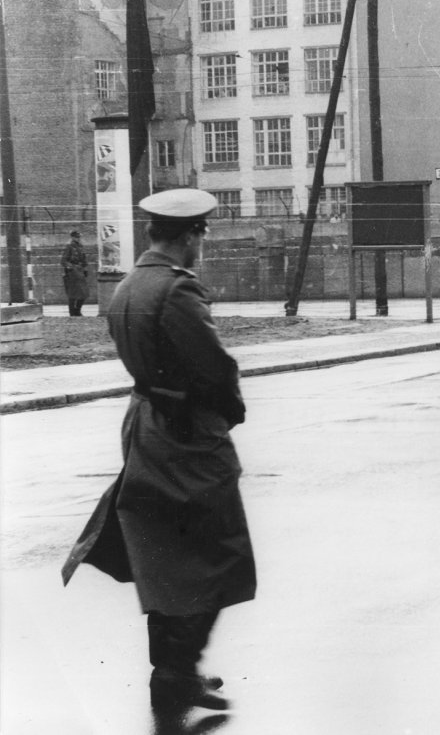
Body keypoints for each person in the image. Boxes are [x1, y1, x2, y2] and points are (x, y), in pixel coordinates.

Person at [61, 188, 255, 715]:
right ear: (190, 235)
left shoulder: (128, 286)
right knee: (218, 552)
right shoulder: (177, 292)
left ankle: (172, 672)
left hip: (146, 425)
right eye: (200, 236)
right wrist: (230, 412)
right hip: (188, 434)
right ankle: (177, 671)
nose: (201, 245)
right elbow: (214, 368)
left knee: (162, 554)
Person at [61, 229, 89, 316]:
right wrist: (71, 268)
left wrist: (85, 269)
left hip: (80, 272)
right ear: (72, 237)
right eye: (76, 237)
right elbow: (63, 261)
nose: (78, 238)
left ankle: (77, 310)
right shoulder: (69, 246)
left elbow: (84, 259)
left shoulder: (81, 246)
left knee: (84, 293)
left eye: (79, 237)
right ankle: (72, 312)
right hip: (72, 273)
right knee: (73, 294)